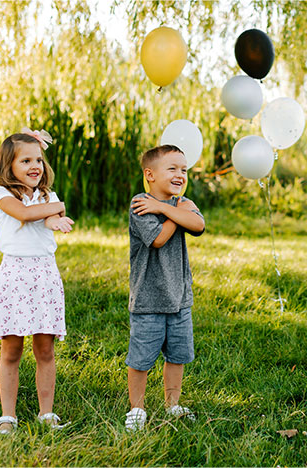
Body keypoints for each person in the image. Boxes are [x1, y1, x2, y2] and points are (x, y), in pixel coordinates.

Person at [0, 128, 74, 434]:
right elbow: (23, 214)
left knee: (45, 349)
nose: (35, 166)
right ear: (8, 166)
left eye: (38, 159)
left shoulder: (48, 195)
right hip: (15, 277)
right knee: (11, 349)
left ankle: (46, 413)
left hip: (45, 276)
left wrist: (56, 218)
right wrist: (55, 210)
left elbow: (48, 216)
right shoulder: (2, 195)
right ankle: (7, 416)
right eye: (25, 161)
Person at [124, 144, 205, 431]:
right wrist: (169, 209)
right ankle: (137, 408)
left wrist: (168, 207)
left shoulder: (180, 203)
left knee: (178, 356)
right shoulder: (141, 204)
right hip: (148, 299)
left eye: (183, 169)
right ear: (150, 174)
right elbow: (157, 238)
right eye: (172, 168)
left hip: (179, 297)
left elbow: (197, 224)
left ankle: (173, 404)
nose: (180, 174)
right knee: (142, 358)